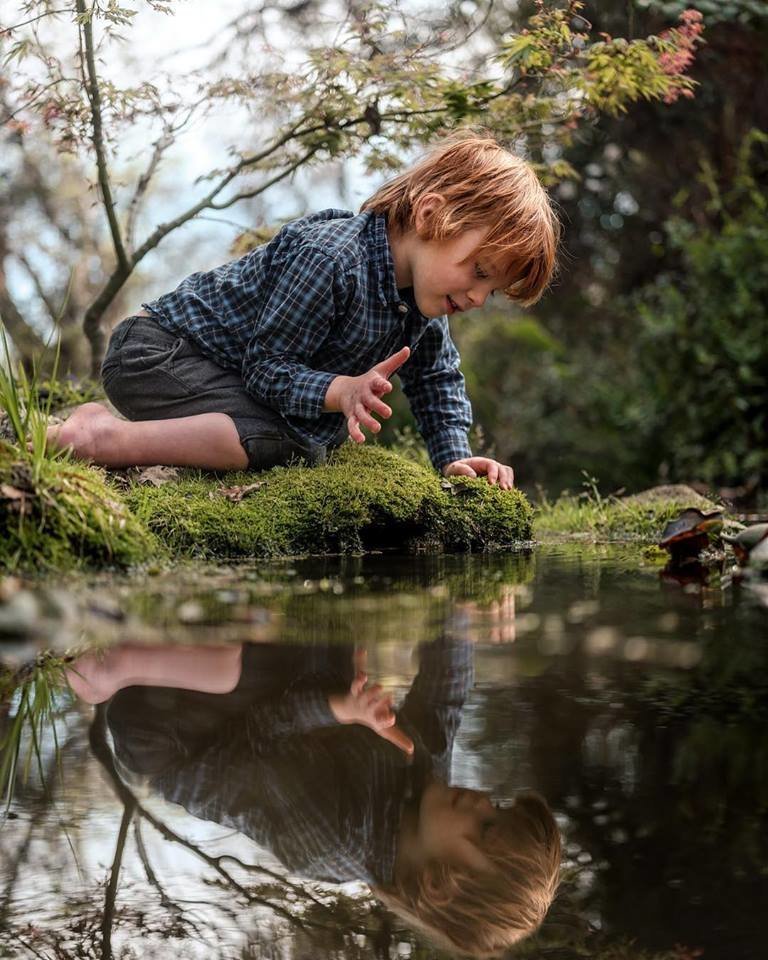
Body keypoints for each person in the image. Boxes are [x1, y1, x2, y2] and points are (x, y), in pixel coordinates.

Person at [48, 131, 559, 487]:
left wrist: (453, 456)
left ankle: (124, 432)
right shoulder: (332, 259)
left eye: (490, 292)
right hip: (157, 354)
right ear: (431, 216)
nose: (476, 299)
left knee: (312, 437)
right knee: (291, 438)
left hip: (222, 376)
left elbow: (436, 378)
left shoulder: (424, 306)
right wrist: (340, 390)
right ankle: (104, 437)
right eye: (480, 272)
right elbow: (267, 368)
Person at [68, 629, 561, 956]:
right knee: (329, 628)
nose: (479, 801)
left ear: (439, 882)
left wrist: (336, 709)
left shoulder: (334, 845)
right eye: (496, 806)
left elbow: (256, 738)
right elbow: (448, 691)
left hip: (176, 734)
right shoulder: (430, 782)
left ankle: (110, 668)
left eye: (485, 827)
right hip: (265, 698)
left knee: (276, 663)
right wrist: (467, 610)